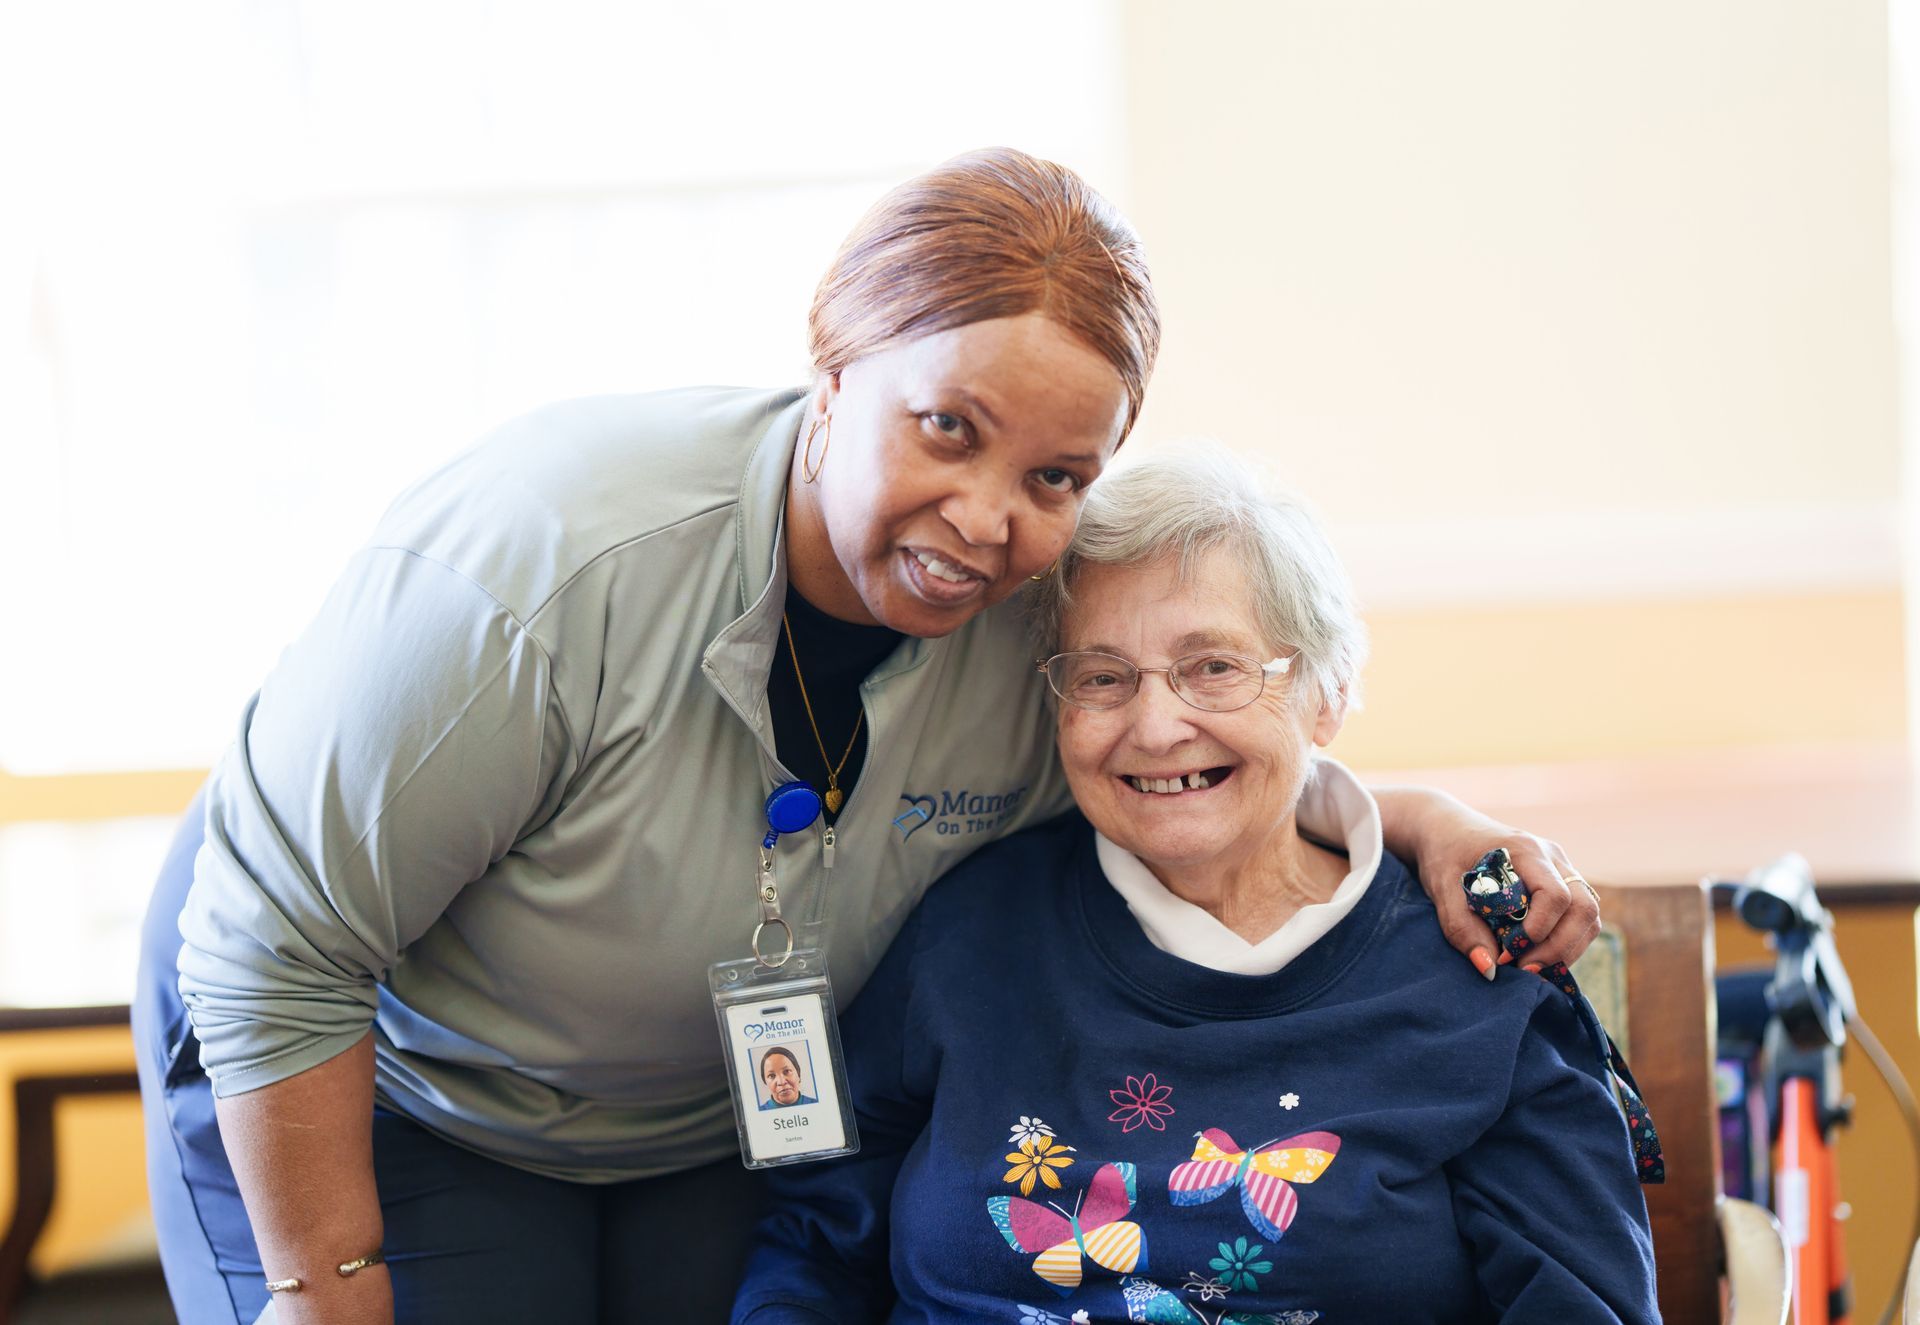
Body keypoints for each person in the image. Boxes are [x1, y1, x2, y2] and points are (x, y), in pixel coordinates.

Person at [131, 148, 1604, 1325]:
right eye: (946, 429)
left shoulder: (1042, 628)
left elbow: (1189, 756)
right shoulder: (549, 561)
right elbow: (280, 944)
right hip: (374, 1065)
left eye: (1054, 472)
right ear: (832, 378)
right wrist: (323, 1292)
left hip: (701, 1118)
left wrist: (1413, 820)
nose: (986, 520)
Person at [732, 451, 1658, 1324]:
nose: (1157, 724)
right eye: (1103, 676)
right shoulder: (973, 927)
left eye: (1212, 667)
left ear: (1326, 694)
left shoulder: (1474, 971)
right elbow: (814, 1238)